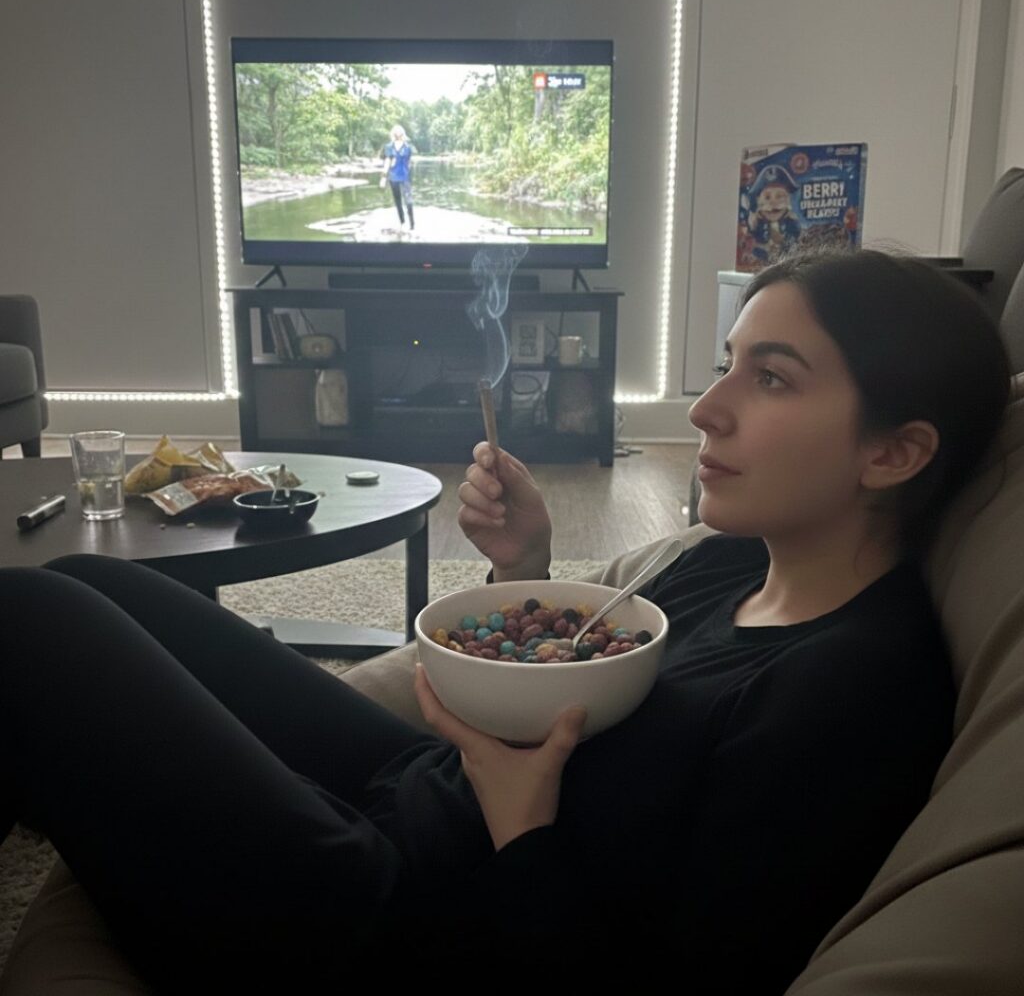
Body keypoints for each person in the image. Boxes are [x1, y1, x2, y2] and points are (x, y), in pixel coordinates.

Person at [0, 250, 1010, 992]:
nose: (707, 408)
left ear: (894, 453)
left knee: (31, 623)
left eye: (772, 378)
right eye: (726, 364)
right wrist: (523, 569)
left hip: (399, 926)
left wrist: (524, 824)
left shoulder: (853, 693)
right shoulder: (734, 558)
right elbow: (590, 682)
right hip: (423, 789)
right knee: (98, 580)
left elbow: (676, 977)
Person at [379, 124, 415, 233]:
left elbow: (409, 162)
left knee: (409, 201)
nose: (398, 133)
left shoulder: (408, 147)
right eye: (396, 131)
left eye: (400, 131)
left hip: (405, 176)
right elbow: (387, 162)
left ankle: (412, 224)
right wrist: (383, 177)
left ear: (403, 133)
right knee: (398, 201)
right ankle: (402, 223)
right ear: (393, 133)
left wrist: (409, 172)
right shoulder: (389, 147)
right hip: (393, 176)